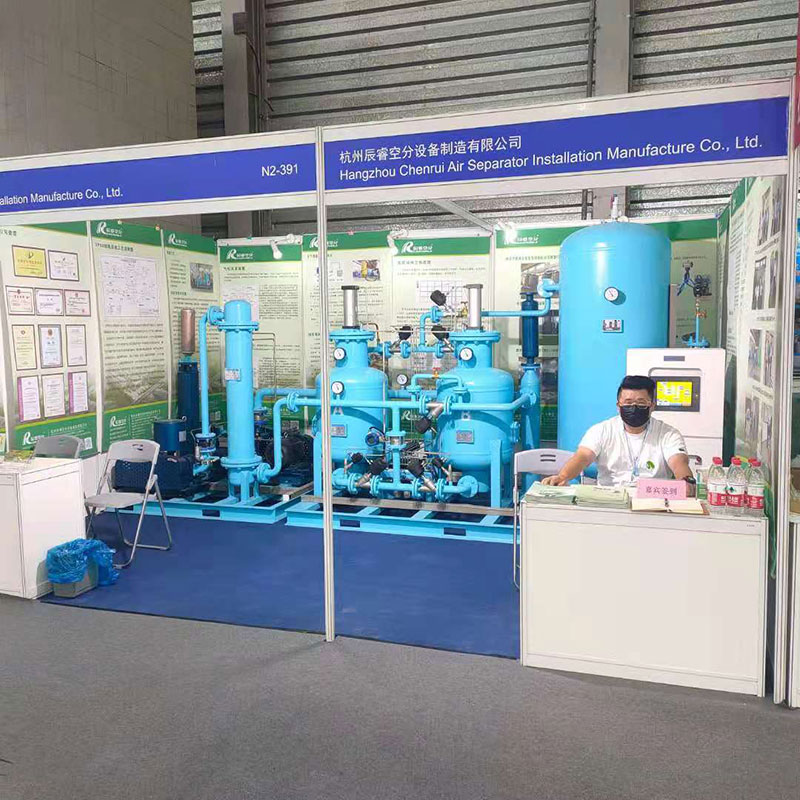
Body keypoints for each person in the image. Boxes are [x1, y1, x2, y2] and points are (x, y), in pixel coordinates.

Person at [542, 375, 696, 492]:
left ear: (652, 406)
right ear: (618, 406)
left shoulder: (668, 434)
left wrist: (686, 482)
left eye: (641, 403)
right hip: (609, 499)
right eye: (628, 403)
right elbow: (582, 457)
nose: (634, 407)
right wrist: (563, 477)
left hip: (653, 501)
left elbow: (679, 462)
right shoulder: (602, 430)